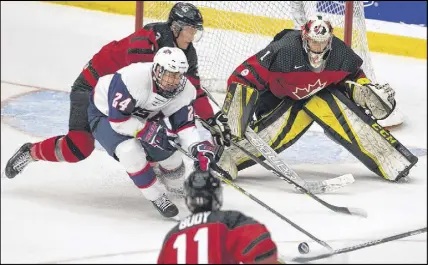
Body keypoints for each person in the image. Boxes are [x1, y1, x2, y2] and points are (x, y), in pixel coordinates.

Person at [3, 2, 230, 179]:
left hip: (123, 94)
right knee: (78, 148)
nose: (192, 37)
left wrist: (212, 118)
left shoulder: (185, 52)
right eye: (190, 31)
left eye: (195, 31)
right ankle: (31, 152)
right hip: (92, 86)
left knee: (155, 134)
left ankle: (154, 173)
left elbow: (193, 89)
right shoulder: (145, 45)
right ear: (176, 28)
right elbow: (138, 96)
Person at [217, 15, 418, 182]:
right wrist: (235, 116)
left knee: (343, 111)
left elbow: (354, 75)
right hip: (275, 99)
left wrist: (364, 89)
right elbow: (242, 77)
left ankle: (390, 158)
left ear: (329, 40)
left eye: (322, 42)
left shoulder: (340, 52)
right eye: (314, 41)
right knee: (272, 133)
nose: (317, 47)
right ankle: (229, 157)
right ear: (305, 38)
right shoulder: (284, 49)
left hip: (317, 96)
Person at [86, 47, 217, 218]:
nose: (173, 80)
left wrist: (196, 147)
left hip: (145, 115)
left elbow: (184, 126)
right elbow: (119, 122)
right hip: (106, 114)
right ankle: (156, 196)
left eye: (178, 75)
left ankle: (176, 186)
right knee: (130, 151)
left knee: (171, 154)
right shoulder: (131, 79)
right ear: (156, 70)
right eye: (169, 74)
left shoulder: (185, 89)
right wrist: (147, 132)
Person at [157, 169, 280, 264]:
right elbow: (263, 250)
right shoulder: (229, 221)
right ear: (216, 195)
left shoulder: (172, 236)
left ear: (189, 198)